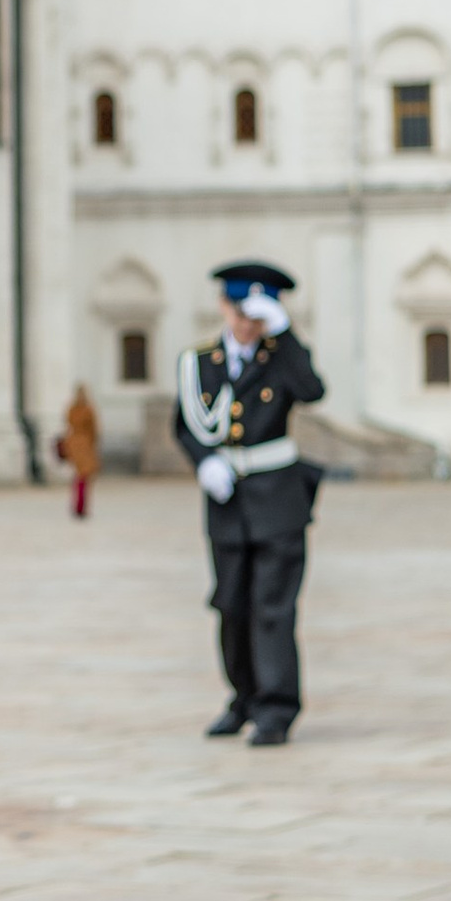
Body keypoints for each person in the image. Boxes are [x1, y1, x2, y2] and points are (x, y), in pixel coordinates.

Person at [176, 258, 323, 746]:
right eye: (240, 312)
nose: (247, 324)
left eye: (258, 315)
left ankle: (276, 708)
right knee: (231, 605)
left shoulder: (280, 357)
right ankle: (242, 698)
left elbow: (311, 390)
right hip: (227, 505)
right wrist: (204, 461)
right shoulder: (200, 363)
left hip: (278, 499)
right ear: (224, 307)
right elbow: (185, 423)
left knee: (272, 608)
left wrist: (286, 336)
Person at [56, 386, 101, 519]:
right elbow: (94, 429)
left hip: (73, 443)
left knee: (78, 476)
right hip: (85, 444)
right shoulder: (88, 409)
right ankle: (81, 506)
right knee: (84, 477)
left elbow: (67, 424)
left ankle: (77, 505)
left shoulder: (72, 409)